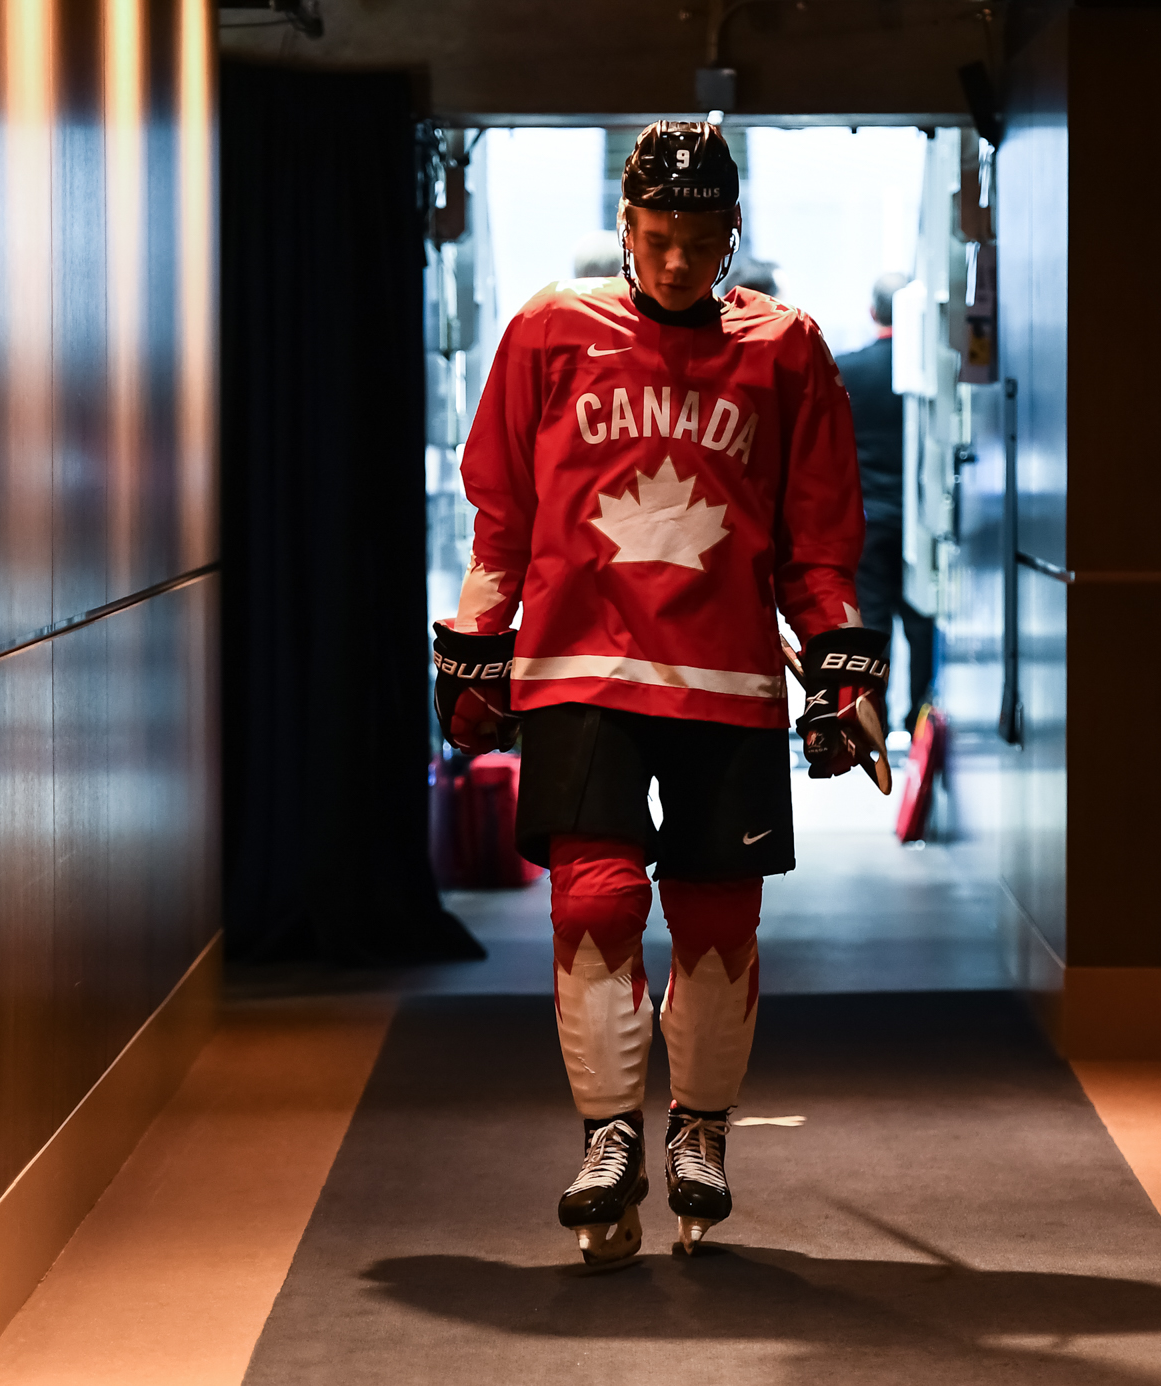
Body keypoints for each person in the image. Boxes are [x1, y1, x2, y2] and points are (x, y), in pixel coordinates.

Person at [429, 120, 887, 1266]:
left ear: (731, 234)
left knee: (718, 912)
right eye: (653, 236)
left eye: (697, 239)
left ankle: (698, 1132)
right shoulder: (547, 332)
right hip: (579, 665)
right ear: (625, 228)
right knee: (590, 902)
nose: (674, 261)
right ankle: (604, 1140)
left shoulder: (786, 350)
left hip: (726, 674)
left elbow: (817, 542)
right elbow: (501, 514)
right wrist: (477, 641)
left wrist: (837, 664)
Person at [836, 273, 936, 730]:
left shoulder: (847, 370)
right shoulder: (930, 372)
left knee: (872, 622)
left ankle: (872, 719)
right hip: (923, 518)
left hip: (868, 517)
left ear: (873, 312)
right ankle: (921, 719)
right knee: (921, 622)